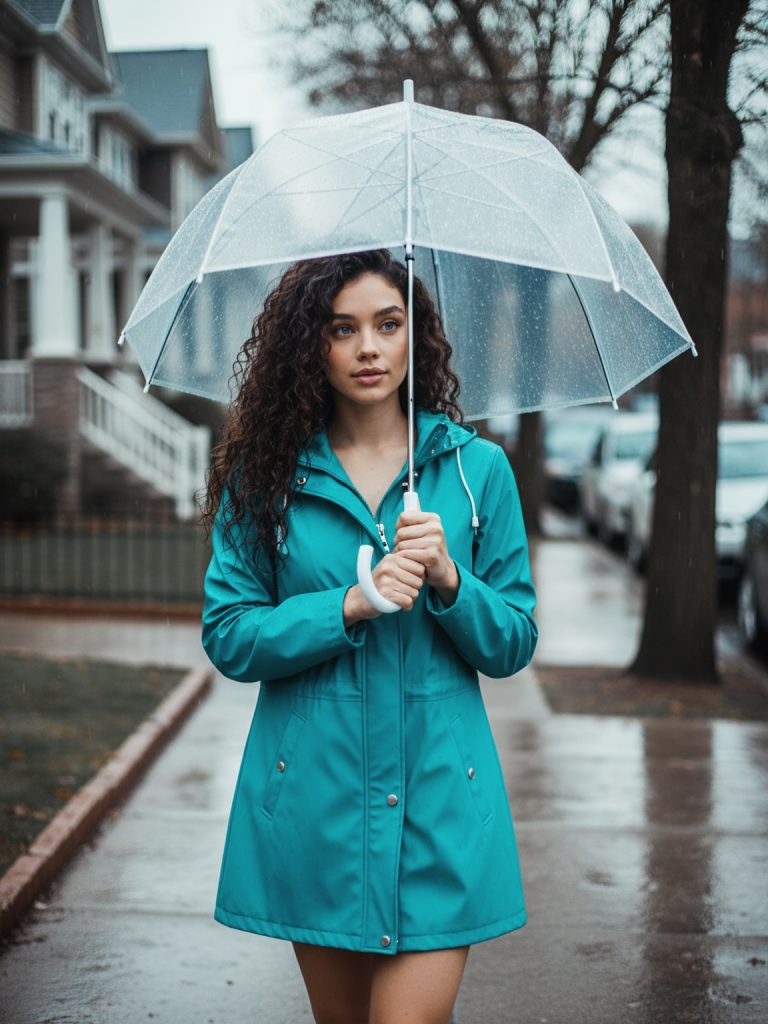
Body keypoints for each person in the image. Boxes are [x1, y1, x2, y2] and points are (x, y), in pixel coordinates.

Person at [200, 248, 538, 1024]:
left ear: (415, 338)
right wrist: (347, 606)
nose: (368, 348)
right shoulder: (265, 478)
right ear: (309, 345)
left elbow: (513, 640)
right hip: (315, 806)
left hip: (441, 805)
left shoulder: (475, 471)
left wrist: (451, 580)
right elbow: (230, 634)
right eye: (342, 328)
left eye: (388, 325)